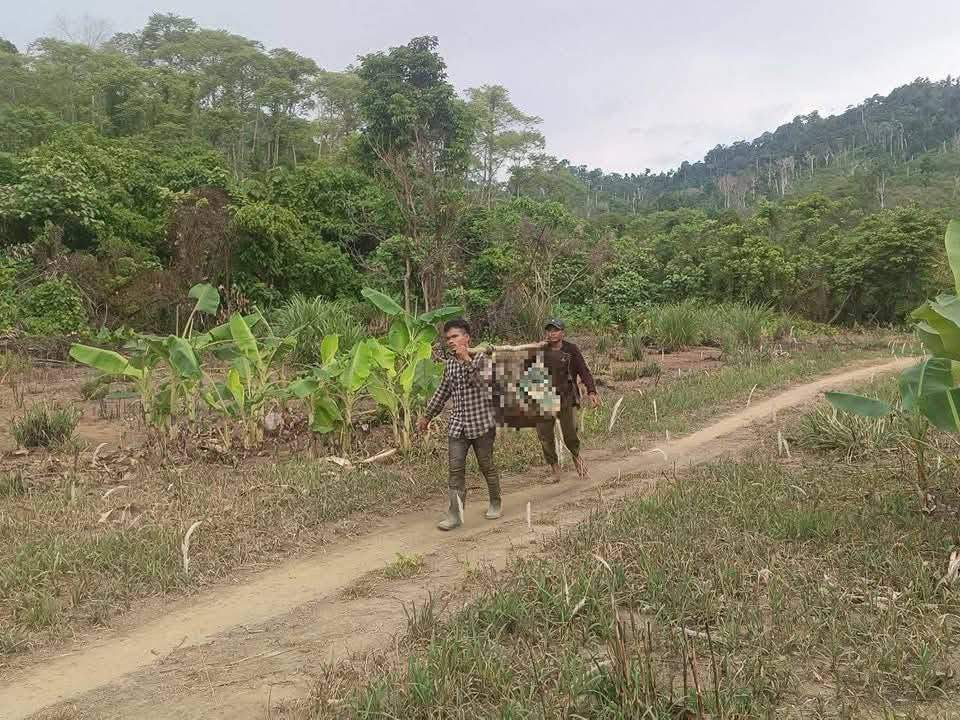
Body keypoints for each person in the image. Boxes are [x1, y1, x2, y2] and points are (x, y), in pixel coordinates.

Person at [417, 319, 502, 531]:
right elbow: (442, 392)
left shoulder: (483, 358)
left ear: (467, 338)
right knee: (455, 471)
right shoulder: (450, 364)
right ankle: (455, 514)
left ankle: (495, 501)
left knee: (486, 465)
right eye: (448, 338)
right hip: (458, 426)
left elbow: (486, 386)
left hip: (482, 425)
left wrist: (467, 361)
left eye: (455, 337)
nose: (451, 341)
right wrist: (427, 416)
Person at [537, 318, 600, 479]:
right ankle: (555, 469)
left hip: (567, 397)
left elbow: (583, 371)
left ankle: (576, 457)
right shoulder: (541, 350)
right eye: (549, 330)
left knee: (570, 433)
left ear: (562, 333)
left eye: (555, 330)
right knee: (545, 435)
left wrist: (591, 391)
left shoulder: (571, 349)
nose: (551, 333)